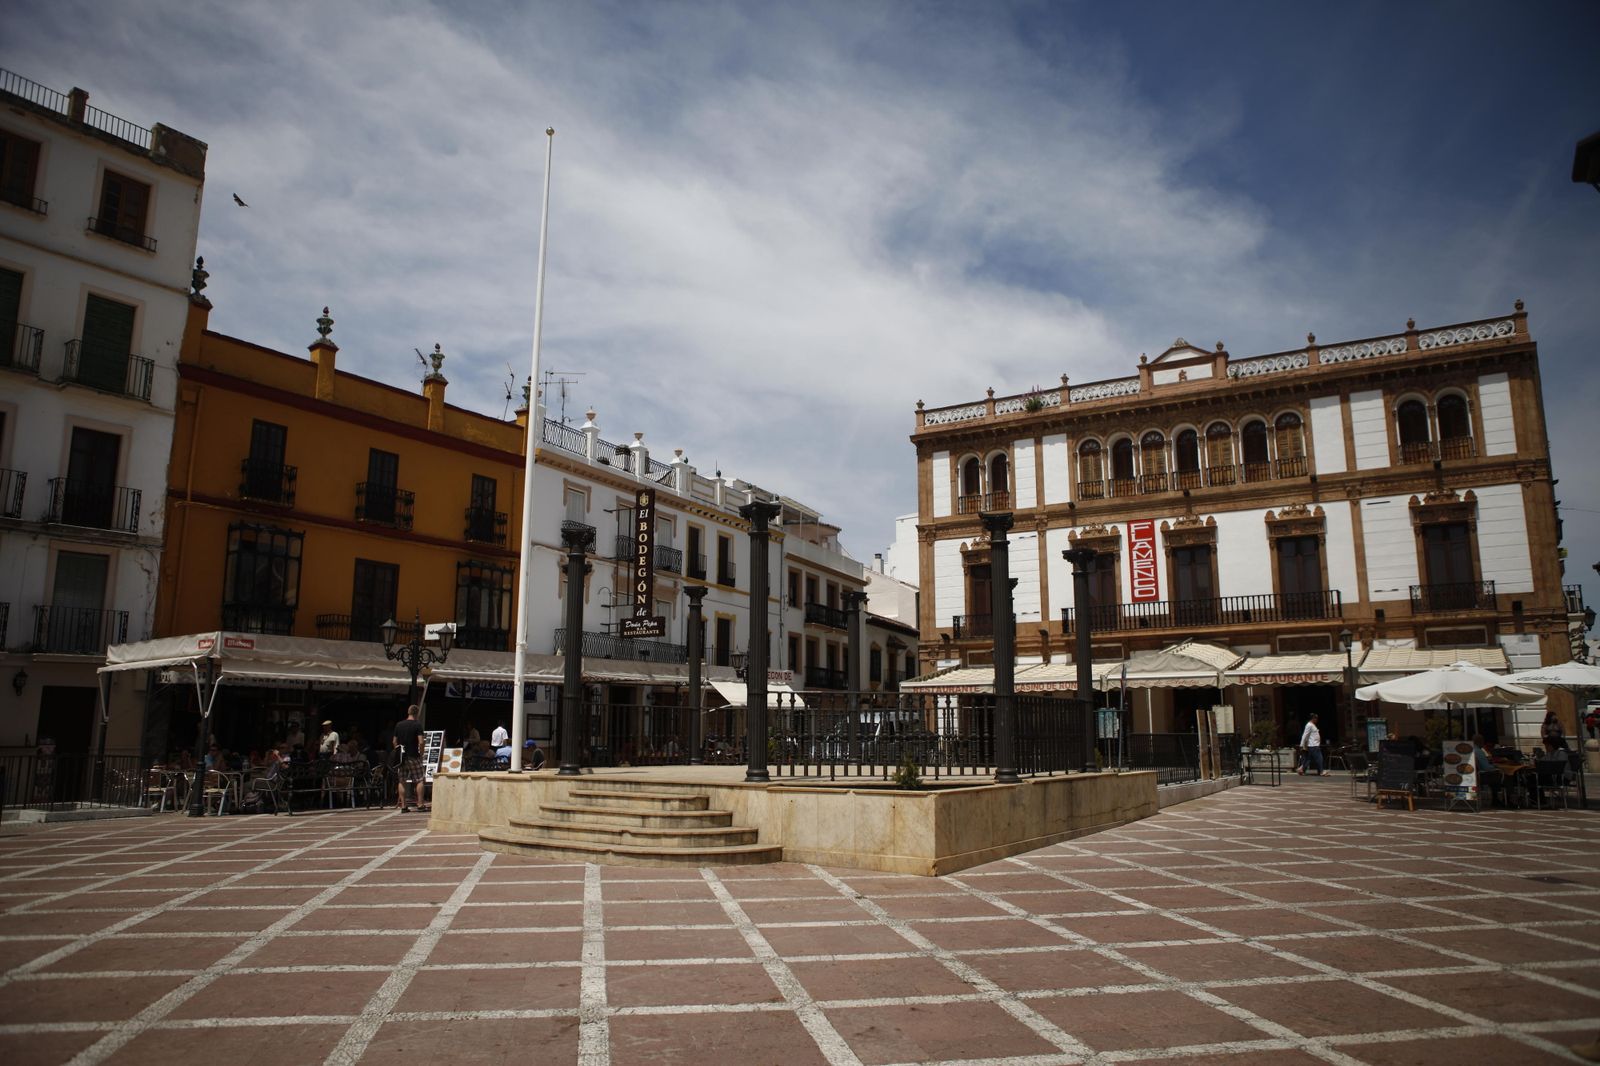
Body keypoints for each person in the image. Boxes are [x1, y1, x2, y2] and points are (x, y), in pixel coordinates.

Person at [393, 705, 426, 812]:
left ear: (408, 712)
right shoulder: (417, 725)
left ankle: (403, 806)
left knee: (401, 781)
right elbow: (421, 742)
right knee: (419, 779)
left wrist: (398, 752)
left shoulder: (399, 725)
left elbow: (394, 742)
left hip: (401, 758)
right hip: (413, 756)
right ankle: (420, 805)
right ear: (417, 713)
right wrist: (421, 753)